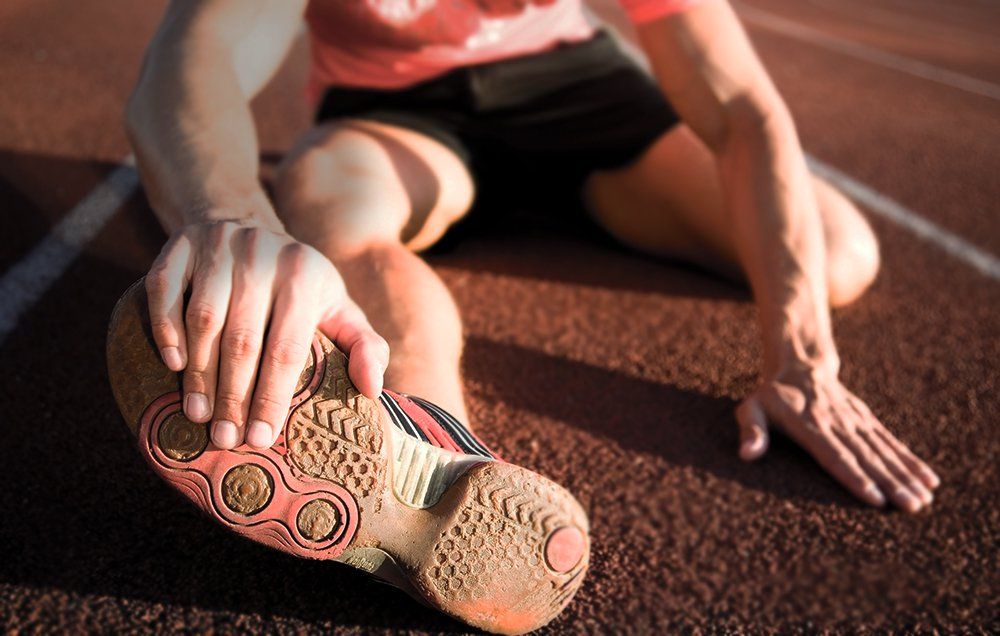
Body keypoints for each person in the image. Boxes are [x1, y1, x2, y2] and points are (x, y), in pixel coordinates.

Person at [126, 0, 939, 542]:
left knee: (835, 256)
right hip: (395, 107)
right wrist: (232, 220)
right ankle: (426, 472)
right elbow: (195, 61)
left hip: (575, 84)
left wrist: (802, 359)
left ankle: (571, 195)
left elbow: (742, 109)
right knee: (332, 212)